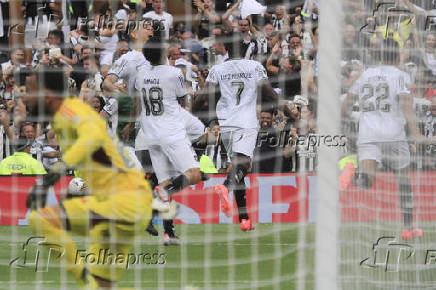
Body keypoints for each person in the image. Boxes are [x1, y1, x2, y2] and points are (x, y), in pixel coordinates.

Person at [22, 66, 171, 288]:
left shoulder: (69, 111)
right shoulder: (62, 117)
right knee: (101, 285)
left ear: (47, 94)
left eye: (29, 90)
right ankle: (89, 280)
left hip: (123, 201)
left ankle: (82, 276)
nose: (24, 95)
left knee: (40, 218)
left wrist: (54, 173)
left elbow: (90, 137)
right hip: (128, 202)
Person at [342, 39, 436, 240]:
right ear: (396, 55)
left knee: (367, 182)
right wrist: (417, 134)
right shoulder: (400, 76)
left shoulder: (364, 75)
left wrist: (354, 119)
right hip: (394, 135)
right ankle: (408, 228)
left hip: (368, 135)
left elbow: (345, 106)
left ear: (380, 55)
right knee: (403, 182)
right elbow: (406, 107)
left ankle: (352, 171)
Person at [195, 35, 279, 231]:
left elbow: (202, 98)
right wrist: (283, 106)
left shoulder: (217, 70)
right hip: (246, 123)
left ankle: (244, 218)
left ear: (226, 48)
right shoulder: (254, 66)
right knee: (244, 165)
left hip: (225, 125)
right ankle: (225, 186)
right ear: (244, 49)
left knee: (237, 168)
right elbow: (267, 92)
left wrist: (194, 116)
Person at [130, 36, 209, 245]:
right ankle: (164, 192)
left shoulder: (141, 74)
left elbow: (138, 102)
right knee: (193, 174)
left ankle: (169, 233)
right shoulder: (175, 73)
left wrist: (130, 124)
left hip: (150, 134)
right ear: (163, 53)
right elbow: (183, 101)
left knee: (165, 180)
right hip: (170, 130)